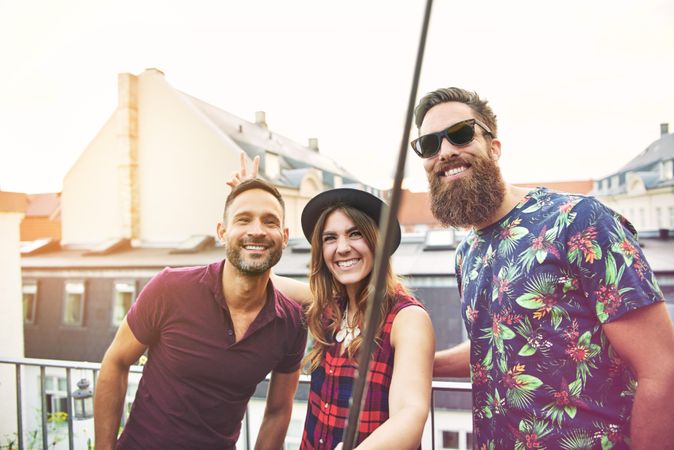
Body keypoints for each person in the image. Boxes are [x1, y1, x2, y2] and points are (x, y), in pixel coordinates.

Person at [411, 87, 674, 449]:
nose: (446, 151)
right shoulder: (467, 253)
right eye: (429, 144)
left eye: (460, 134)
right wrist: (413, 361)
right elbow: (495, 347)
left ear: (495, 147)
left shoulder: (578, 221)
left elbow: (662, 369)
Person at [228, 154, 434, 450]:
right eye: (330, 238)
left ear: (376, 242)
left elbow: (410, 415)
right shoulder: (330, 307)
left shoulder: (407, 318)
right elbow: (259, 280)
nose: (342, 248)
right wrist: (249, 207)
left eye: (355, 234)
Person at [94, 178, 307, 450]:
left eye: (270, 221)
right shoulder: (170, 289)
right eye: (243, 220)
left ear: (285, 237)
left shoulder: (291, 322)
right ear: (222, 232)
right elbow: (115, 361)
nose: (257, 230)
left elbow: (278, 411)